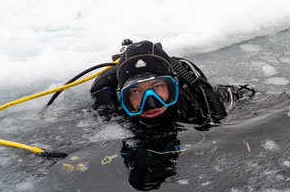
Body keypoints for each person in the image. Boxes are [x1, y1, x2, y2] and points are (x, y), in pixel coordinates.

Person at [90, 40, 251, 127]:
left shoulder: (195, 100)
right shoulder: (114, 115)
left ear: (173, 86)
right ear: (122, 97)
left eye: (158, 86)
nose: (151, 103)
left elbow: (245, 93)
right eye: (135, 91)